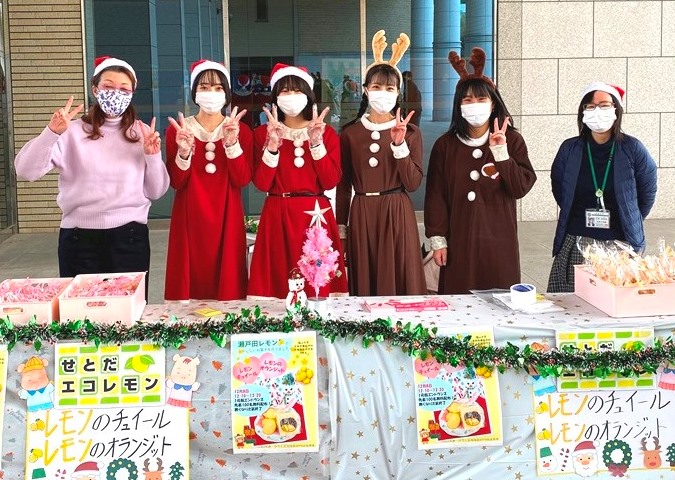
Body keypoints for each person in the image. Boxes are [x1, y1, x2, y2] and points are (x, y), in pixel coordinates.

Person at [14, 56, 169, 296]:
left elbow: (156, 191)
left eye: (124, 89)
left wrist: (152, 156)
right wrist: (51, 133)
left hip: (129, 238)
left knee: (127, 313)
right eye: (108, 86)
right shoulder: (71, 131)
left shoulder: (141, 132)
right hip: (79, 239)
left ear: (131, 94)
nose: (116, 93)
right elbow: (25, 170)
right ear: (95, 89)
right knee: (80, 313)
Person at [424, 48, 537, 294]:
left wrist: (501, 153)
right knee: (458, 298)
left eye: (481, 99)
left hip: (499, 241)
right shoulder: (445, 145)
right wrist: (438, 240)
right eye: (467, 100)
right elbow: (435, 195)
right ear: (458, 106)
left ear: (493, 103)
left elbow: (520, 187)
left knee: (499, 299)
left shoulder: (512, 140)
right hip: (459, 239)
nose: (474, 105)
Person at [336, 30, 426, 296]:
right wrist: (342, 230)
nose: (382, 93)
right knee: (366, 281)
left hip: (396, 212)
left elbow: (413, 183)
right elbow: (343, 186)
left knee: (398, 279)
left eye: (389, 88)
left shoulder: (411, 133)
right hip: (362, 212)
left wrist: (399, 146)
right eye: (376, 87)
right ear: (365, 90)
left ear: (398, 93)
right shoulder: (350, 133)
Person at [248, 63, 348, 299]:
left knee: (317, 284)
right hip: (277, 214)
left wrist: (316, 143)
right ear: (275, 96)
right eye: (285, 91)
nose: (291, 96)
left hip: (315, 216)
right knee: (277, 284)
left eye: (297, 90)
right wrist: (273, 146)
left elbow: (330, 181)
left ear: (308, 95)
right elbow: (262, 183)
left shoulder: (326, 133)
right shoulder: (262, 134)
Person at [547, 82, 657, 292]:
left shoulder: (633, 149)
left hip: (620, 245)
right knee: (571, 304)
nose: (597, 111)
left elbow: (647, 193)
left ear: (616, 110)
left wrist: (630, 217)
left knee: (614, 303)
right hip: (577, 242)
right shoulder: (569, 148)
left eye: (604, 105)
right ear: (583, 112)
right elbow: (559, 189)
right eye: (590, 106)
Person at [164, 59, 253, 301]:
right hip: (188, 214)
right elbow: (176, 182)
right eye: (204, 87)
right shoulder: (179, 130)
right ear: (195, 92)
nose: (211, 93)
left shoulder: (240, 130)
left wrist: (231, 144)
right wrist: (184, 152)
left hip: (228, 213)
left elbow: (242, 179)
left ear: (226, 92)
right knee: (189, 283)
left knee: (228, 283)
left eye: (217, 87)